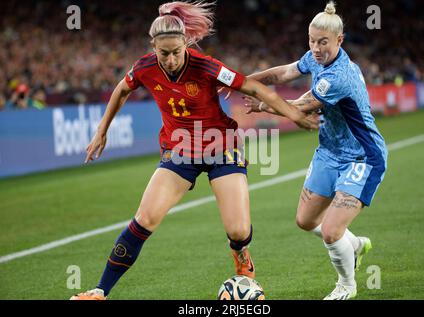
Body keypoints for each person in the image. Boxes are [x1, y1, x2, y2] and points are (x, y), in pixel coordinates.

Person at [70, 1, 318, 300]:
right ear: (154, 47)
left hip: (220, 147)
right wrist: (101, 131)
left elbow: (254, 89)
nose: (172, 59)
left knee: (239, 231)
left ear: (186, 43)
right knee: (144, 220)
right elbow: (122, 89)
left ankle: (240, 252)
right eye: (165, 53)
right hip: (179, 152)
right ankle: (100, 291)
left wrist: (293, 114)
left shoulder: (206, 66)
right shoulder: (145, 67)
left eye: (177, 51)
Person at [242, 1, 387, 300]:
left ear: (340, 40)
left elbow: (301, 107)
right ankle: (355, 246)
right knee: (306, 221)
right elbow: (283, 73)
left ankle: (347, 285)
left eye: (323, 42)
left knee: (332, 231)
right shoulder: (315, 59)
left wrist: (263, 104)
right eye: (312, 41)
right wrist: (245, 81)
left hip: (362, 156)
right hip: (329, 152)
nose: (317, 48)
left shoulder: (340, 76)